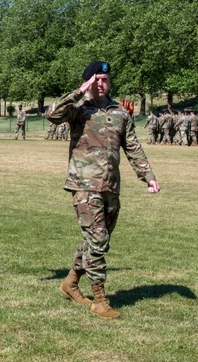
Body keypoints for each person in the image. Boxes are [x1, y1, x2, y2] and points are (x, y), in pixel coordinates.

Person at [47, 61, 160, 318]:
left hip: (110, 186)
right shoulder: (78, 109)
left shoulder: (120, 112)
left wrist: (149, 177)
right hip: (84, 185)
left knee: (96, 240)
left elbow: (132, 147)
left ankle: (70, 283)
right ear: (88, 81)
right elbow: (52, 115)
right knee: (98, 241)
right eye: (96, 79)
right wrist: (79, 91)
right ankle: (100, 299)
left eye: (105, 79)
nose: (101, 83)